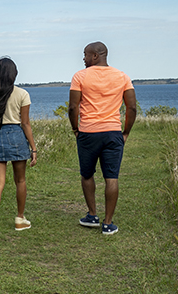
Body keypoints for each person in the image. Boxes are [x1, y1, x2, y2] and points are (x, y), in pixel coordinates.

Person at [68, 42, 136, 235]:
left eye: (85, 55)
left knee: (87, 174)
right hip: (113, 133)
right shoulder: (123, 77)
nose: (83, 58)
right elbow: (131, 108)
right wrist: (125, 132)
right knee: (111, 177)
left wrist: (75, 129)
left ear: (96, 56)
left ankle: (92, 215)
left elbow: (73, 107)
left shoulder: (79, 76)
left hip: (88, 133)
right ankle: (108, 223)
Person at [0, 57, 38, 241]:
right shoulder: (22, 94)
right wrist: (34, 148)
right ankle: (20, 219)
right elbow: (25, 123)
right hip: (16, 135)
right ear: (14, 74)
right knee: (20, 181)